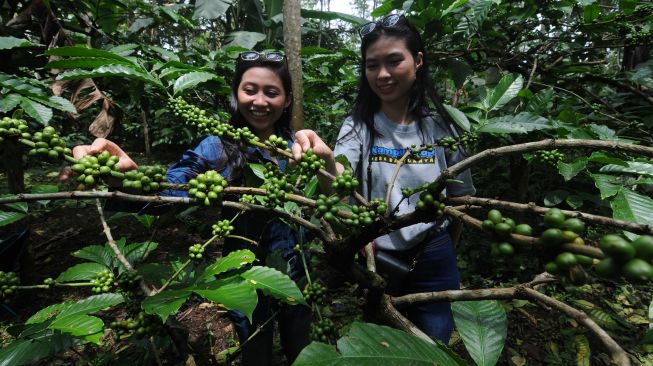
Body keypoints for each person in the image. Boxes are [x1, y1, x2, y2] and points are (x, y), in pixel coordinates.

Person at [68, 51, 311, 365]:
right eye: (249, 90)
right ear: (236, 93)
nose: (260, 101)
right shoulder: (217, 146)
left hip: (295, 266)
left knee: (300, 342)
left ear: (287, 99)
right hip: (242, 271)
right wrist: (124, 179)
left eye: (272, 92)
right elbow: (171, 188)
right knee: (255, 346)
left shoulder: (297, 148)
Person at [293, 14, 475, 343]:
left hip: (434, 251)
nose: (383, 74)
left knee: (433, 342)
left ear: (418, 60)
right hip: (379, 253)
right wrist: (327, 161)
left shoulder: (443, 126)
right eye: (372, 65)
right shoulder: (358, 126)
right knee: (383, 342)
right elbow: (341, 189)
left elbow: (461, 198)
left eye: (394, 61)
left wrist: (447, 246)